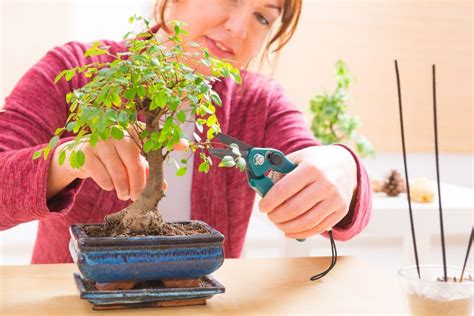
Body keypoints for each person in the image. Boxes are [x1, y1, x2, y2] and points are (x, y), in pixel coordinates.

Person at [0, 0, 371, 264]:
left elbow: (313, 168)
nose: (239, 28)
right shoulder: (78, 71)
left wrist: (342, 168)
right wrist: (71, 156)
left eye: (262, 17)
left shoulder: (259, 103)